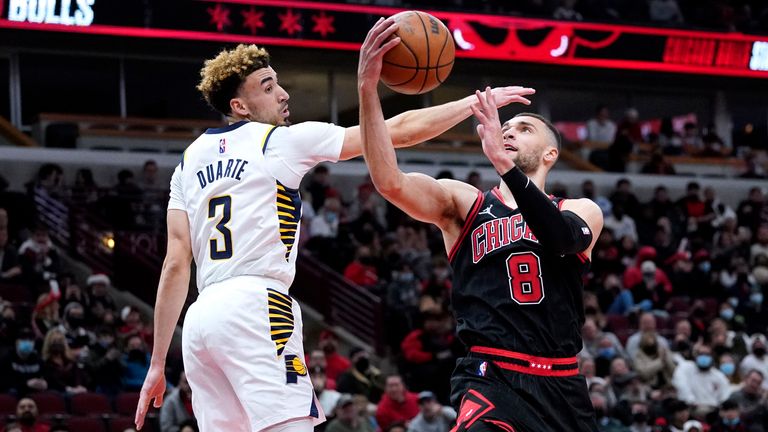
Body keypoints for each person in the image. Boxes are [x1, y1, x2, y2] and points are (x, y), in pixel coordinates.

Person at [134, 19, 534, 432]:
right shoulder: (276, 141)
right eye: (268, 87)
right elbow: (396, 131)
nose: (284, 93)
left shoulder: (188, 161)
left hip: (200, 323)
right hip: (256, 305)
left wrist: (158, 362)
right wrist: (474, 104)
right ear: (241, 106)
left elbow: (176, 264)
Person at [357, 35, 601, 432]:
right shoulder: (465, 203)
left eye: (523, 129)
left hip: (562, 385)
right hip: (491, 376)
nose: (509, 131)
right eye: (505, 126)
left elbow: (560, 239)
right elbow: (389, 182)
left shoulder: (578, 209)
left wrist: (507, 169)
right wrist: (368, 89)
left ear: (549, 154)